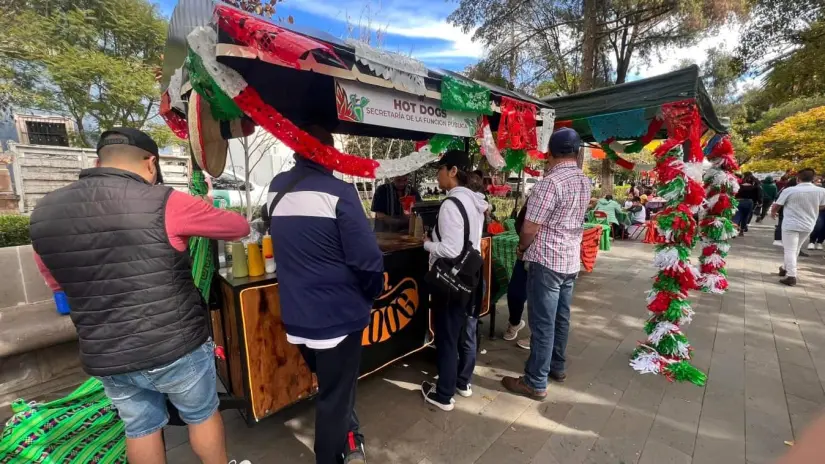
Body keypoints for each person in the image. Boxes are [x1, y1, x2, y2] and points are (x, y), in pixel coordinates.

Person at [28, 128, 252, 464]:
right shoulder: (164, 201)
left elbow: (58, 285)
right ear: (151, 163)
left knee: (140, 428)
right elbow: (238, 227)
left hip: (108, 353)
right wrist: (201, 206)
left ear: (97, 162)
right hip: (175, 345)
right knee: (202, 416)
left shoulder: (43, 212)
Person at [267, 126, 384, 464]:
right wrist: (372, 293)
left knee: (333, 387)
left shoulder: (276, 189)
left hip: (297, 318)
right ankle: (331, 456)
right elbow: (368, 259)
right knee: (334, 397)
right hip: (339, 318)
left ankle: (351, 440)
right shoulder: (339, 192)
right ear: (328, 155)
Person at [501, 127, 591, 399]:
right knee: (561, 316)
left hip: (546, 261)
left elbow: (529, 227)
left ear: (550, 153)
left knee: (542, 322)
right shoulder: (584, 181)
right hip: (569, 260)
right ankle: (556, 366)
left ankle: (535, 381)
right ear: (576, 152)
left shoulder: (550, 183)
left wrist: (522, 247)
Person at [420, 150, 488, 412]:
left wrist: (428, 244)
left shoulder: (450, 204)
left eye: (441, 169)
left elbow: (450, 249)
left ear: (453, 171)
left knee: (447, 337)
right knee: (463, 333)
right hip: (470, 277)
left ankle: (444, 395)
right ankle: (462, 382)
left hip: (451, 280)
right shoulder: (475, 201)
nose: (437, 174)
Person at [771, 168, 825, 286]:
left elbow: (777, 205)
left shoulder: (790, 190)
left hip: (791, 223)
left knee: (790, 249)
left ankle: (791, 275)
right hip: (808, 223)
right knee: (795, 248)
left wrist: (773, 213)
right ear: (813, 178)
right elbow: (822, 206)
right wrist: (812, 208)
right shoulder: (821, 191)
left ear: (798, 178)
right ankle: (785, 268)